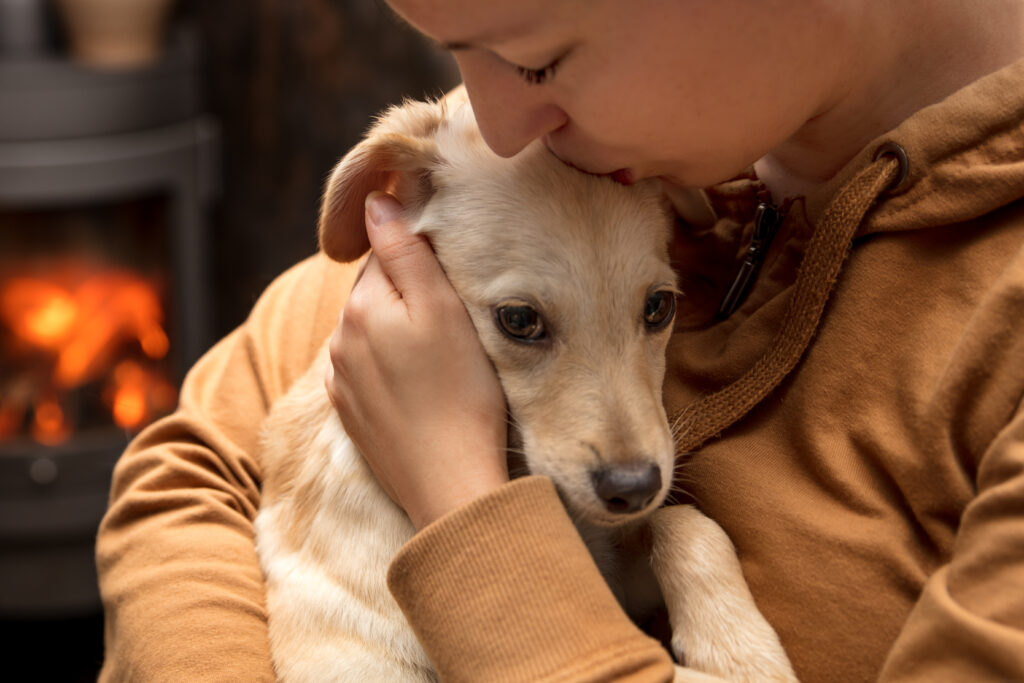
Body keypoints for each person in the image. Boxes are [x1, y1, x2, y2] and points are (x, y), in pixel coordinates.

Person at [96, 0, 1024, 680]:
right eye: (461, 54)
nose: (498, 126)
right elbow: (189, 466)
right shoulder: (588, 175)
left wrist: (463, 504)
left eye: (535, 59)